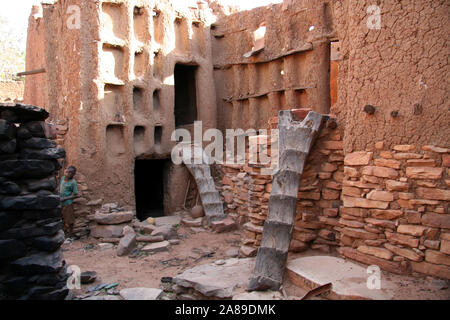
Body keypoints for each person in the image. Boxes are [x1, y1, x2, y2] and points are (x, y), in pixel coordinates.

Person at [60, 166, 80, 239]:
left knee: (69, 219)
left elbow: (75, 194)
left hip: (68, 203)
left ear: (74, 174)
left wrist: (64, 198)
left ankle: (70, 235)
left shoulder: (73, 182)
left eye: (71, 172)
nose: (69, 173)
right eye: (68, 172)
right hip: (61, 203)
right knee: (62, 218)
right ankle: (63, 233)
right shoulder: (62, 179)